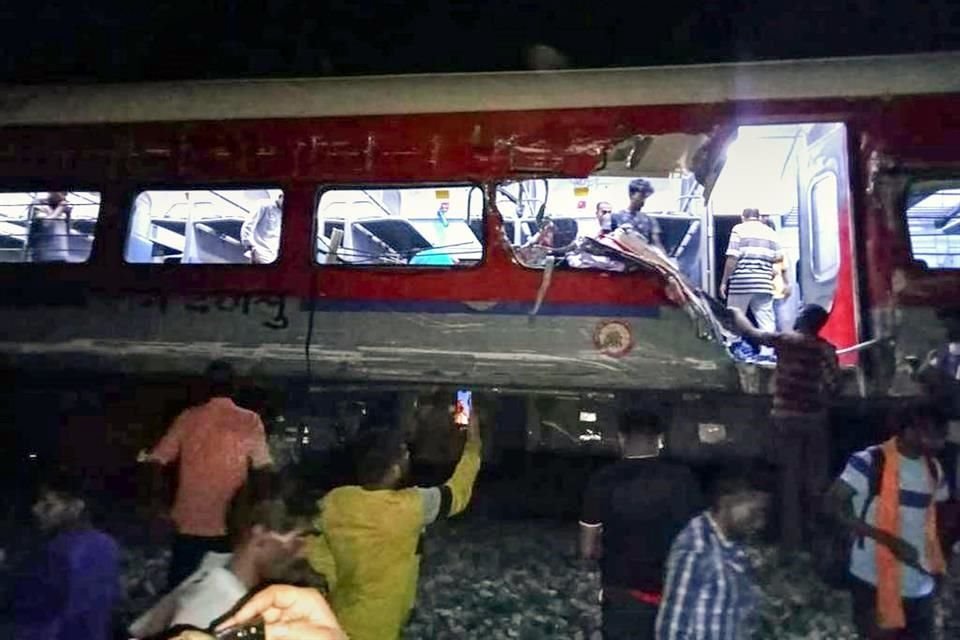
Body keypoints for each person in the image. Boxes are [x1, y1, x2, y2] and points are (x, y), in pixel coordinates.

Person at [306, 408, 483, 640]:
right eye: (405, 454)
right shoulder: (411, 507)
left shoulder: (335, 501)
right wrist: (473, 442)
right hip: (380, 627)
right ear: (396, 469)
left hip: (338, 619)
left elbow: (316, 551)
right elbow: (457, 491)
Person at [140, 360, 275, 589]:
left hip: (188, 521)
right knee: (221, 589)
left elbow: (156, 461)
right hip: (229, 522)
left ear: (205, 386)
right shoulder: (249, 420)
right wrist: (258, 511)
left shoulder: (188, 418)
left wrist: (158, 503)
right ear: (235, 386)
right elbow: (263, 468)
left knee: (180, 589)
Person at [825, 406, 949, 639]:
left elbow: (934, 521)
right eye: (932, 434)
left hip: (919, 584)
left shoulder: (934, 469)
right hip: (874, 581)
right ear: (909, 431)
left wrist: (938, 568)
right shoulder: (870, 462)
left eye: (941, 436)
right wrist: (888, 540)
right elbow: (832, 506)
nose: (939, 443)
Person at [579, 409, 703, 639]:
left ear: (621, 439)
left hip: (622, 592)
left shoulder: (603, 480)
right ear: (660, 440)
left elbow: (588, 548)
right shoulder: (682, 480)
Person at [726, 303, 839, 552]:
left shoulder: (786, 341)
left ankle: (790, 543)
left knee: (788, 481)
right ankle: (813, 539)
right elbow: (832, 386)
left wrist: (736, 313)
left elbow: (753, 335)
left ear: (802, 319)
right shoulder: (826, 350)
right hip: (814, 422)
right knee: (812, 482)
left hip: (785, 420)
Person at [130, 496, 311, 636]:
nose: (302, 554)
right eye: (296, 543)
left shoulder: (215, 568)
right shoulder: (222, 605)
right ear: (260, 536)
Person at [656, 469, 770, 640]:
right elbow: (672, 628)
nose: (759, 523)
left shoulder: (737, 546)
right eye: (753, 513)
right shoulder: (697, 547)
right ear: (726, 502)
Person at [13, 472, 120, 640]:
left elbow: (32, 614)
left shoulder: (56, 551)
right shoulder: (108, 543)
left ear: (76, 507)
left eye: (48, 505)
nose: (36, 509)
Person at [720, 208, 784, 362]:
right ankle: (767, 353)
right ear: (759, 217)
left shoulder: (739, 229)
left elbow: (732, 258)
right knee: (766, 319)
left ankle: (735, 350)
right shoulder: (771, 232)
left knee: (734, 316)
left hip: (742, 281)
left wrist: (724, 281)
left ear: (743, 217)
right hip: (763, 283)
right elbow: (778, 258)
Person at [609, 179, 666, 253]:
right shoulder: (615, 218)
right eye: (641, 196)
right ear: (631, 194)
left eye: (645, 197)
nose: (643, 201)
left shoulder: (650, 220)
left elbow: (657, 245)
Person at [762, 216, 794, 331]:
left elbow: (784, 268)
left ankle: (782, 347)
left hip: (777, 291)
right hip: (762, 292)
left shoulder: (779, 249)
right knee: (766, 326)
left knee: (781, 322)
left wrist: (788, 284)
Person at [27, 191, 72, 262]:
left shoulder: (65, 207)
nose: (63, 197)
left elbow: (67, 229)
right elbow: (46, 223)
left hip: (60, 253)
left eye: (65, 194)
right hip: (43, 254)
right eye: (62, 193)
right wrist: (59, 209)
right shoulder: (39, 203)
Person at [241, 191, 283, 264]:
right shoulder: (264, 204)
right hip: (258, 253)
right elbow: (248, 225)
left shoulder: (285, 214)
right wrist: (251, 248)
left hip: (272, 256)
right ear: (280, 196)